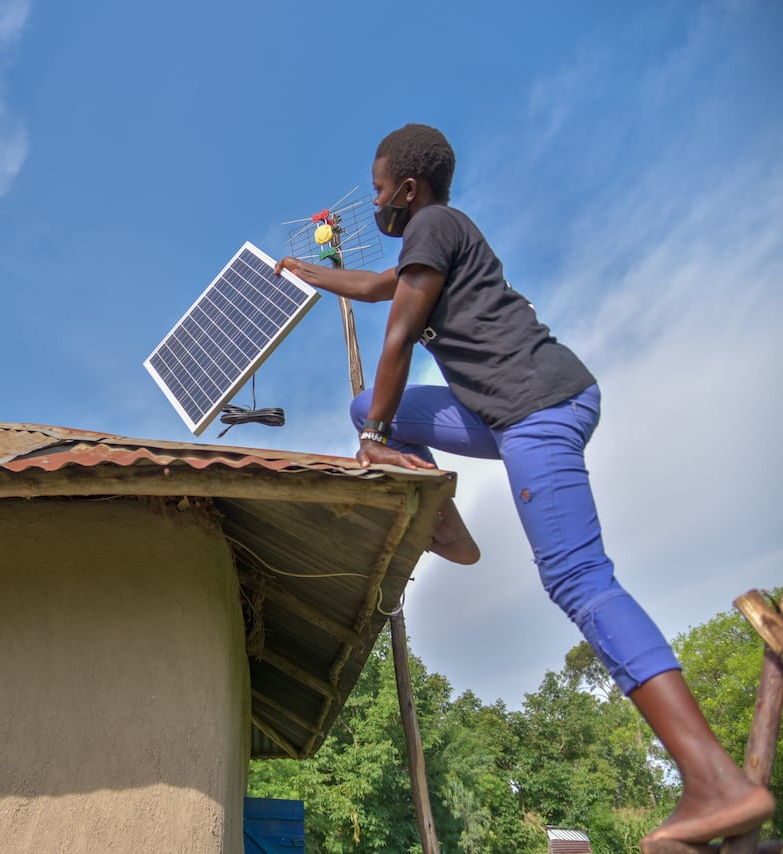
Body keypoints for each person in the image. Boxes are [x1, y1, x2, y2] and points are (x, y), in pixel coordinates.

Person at [274, 124, 773, 847]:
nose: (376, 202)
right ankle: (443, 520)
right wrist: (312, 275)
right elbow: (379, 288)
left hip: (537, 408)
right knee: (366, 406)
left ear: (408, 190)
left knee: (579, 580)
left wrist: (376, 443)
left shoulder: (436, 225)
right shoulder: (429, 240)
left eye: (380, 189)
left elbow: (400, 335)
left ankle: (716, 781)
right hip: (501, 415)